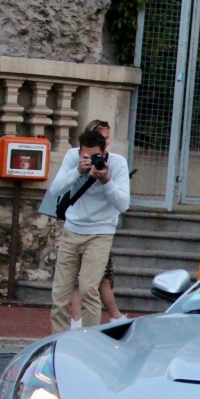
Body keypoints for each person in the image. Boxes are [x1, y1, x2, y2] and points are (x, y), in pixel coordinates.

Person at [48, 127, 130, 333]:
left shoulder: (118, 163)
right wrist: (77, 171)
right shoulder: (71, 158)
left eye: (96, 157)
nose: (92, 160)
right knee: (59, 295)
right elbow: (55, 189)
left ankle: (88, 341)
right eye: (86, 156)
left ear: (104, 153)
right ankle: (58, 342)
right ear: (79, 152)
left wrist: (106, 180)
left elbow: (124, 204)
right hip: (71, 230)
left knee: (88, 289)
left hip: (101, 233)